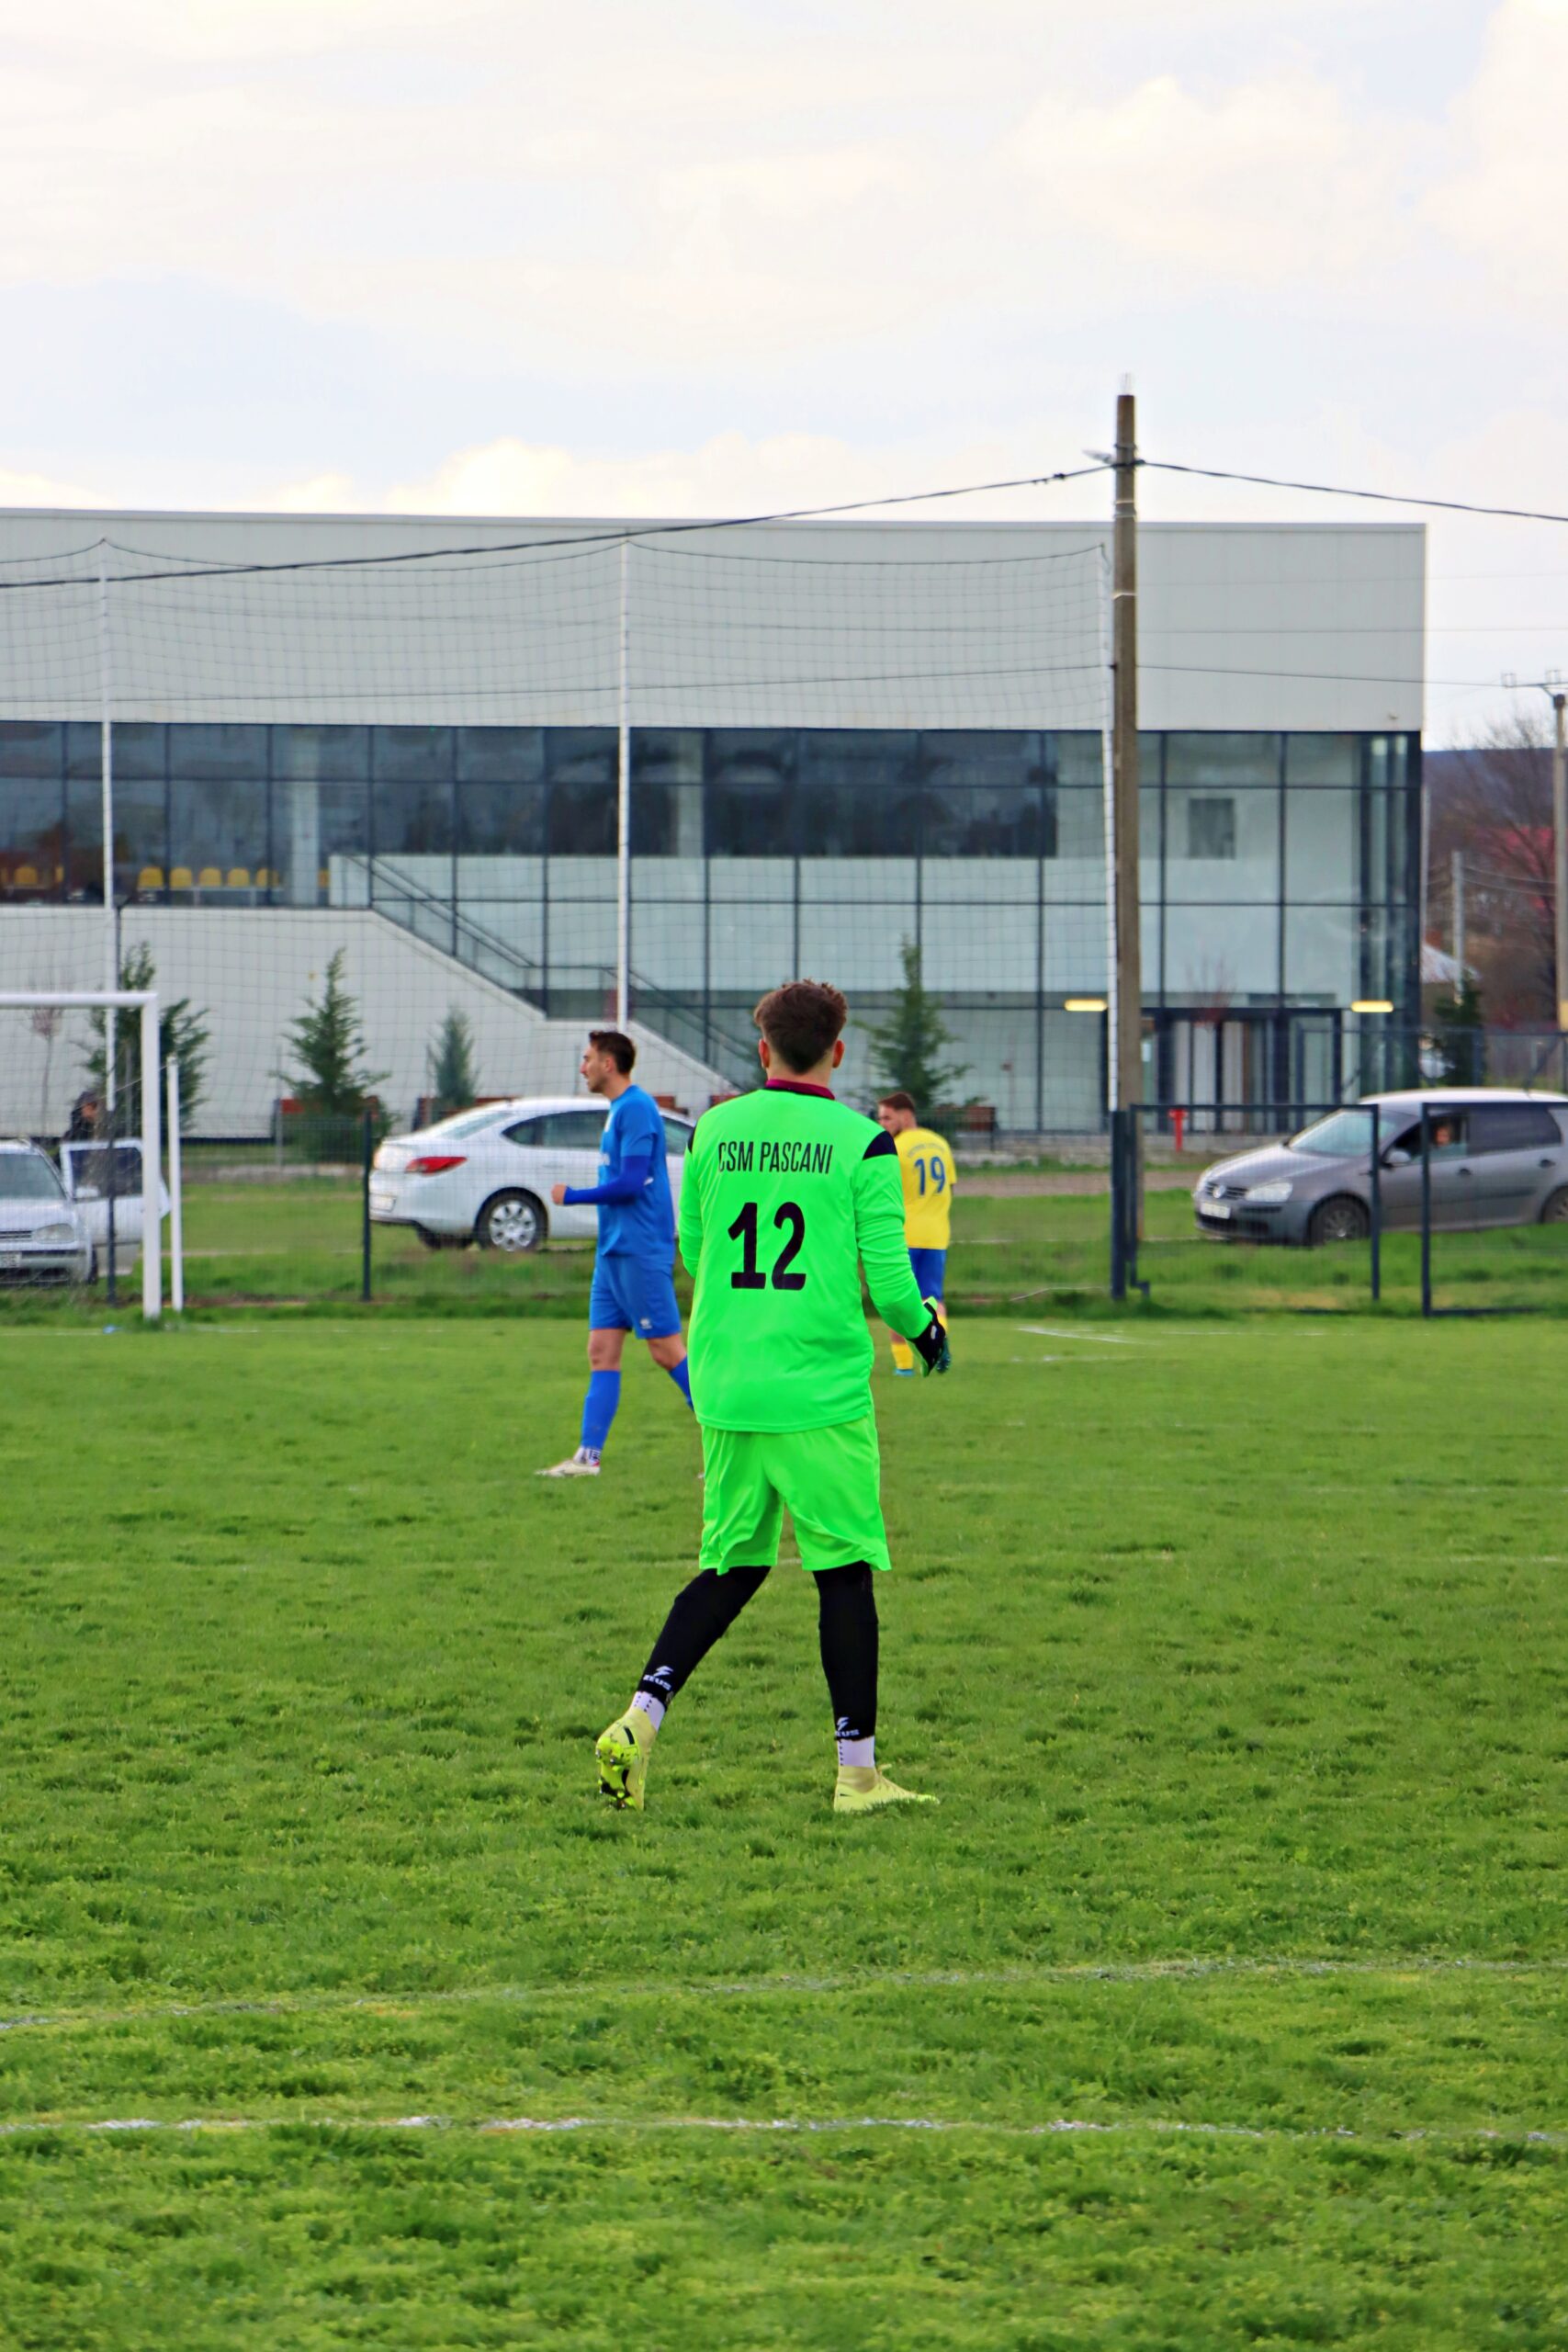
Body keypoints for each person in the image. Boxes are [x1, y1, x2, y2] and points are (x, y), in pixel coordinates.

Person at [594, 978, 951, 1817]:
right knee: (843, 1575)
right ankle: (856, 1778)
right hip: (817, 1392)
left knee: (730, 1566)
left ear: (763, 1052)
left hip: (727, 1385)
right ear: (837, 1052)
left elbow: (693, 1251)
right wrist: (928, 1334)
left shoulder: (714, 1130)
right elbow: (890, 1281)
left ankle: (639, 1718)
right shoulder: (863, 1142)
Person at [536, 1030, 693, 1478]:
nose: (582, 1067)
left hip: (639, 1249)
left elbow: (630, 1184)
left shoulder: (637, 1108)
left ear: (609, 1064)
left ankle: (731, 1446)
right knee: (601, 1351)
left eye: (588, 1059)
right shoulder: (618, 1111)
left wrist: (573, 1196)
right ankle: (588, 1458)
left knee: (667, 1351)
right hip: (612, 1252)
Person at [875, 1090, 955, 1375]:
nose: (882, 1123)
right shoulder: (941, 1144)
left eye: (887, 1117)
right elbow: (950, 1188)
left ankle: (904, 1367)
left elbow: (884, 1193)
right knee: (933, 1297)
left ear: (906, 1115)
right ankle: (939, 1345)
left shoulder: (894, 1147)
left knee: (897, 1300)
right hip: (936, 1235)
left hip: (904, 1235)